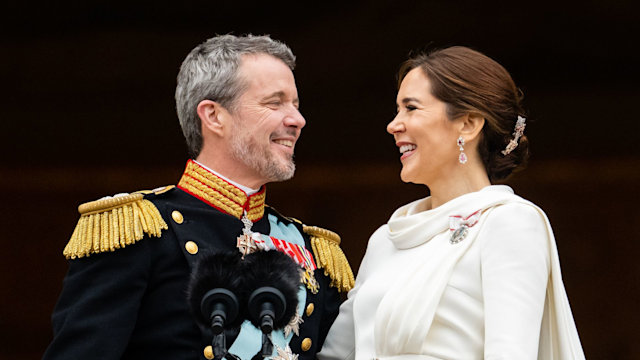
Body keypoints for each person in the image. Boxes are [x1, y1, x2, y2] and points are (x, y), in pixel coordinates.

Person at [44, 34, 354, 360]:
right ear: (213, 115)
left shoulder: (314, 249)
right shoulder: (140, 232)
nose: (297, 120)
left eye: (295, 105)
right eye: (274, 103)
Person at [318, 46, 585, 360]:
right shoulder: (386, 239)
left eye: (411, 108)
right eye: (397, 110)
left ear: (468, 124)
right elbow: (334, 354)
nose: (394, 125)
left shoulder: (508, 224)